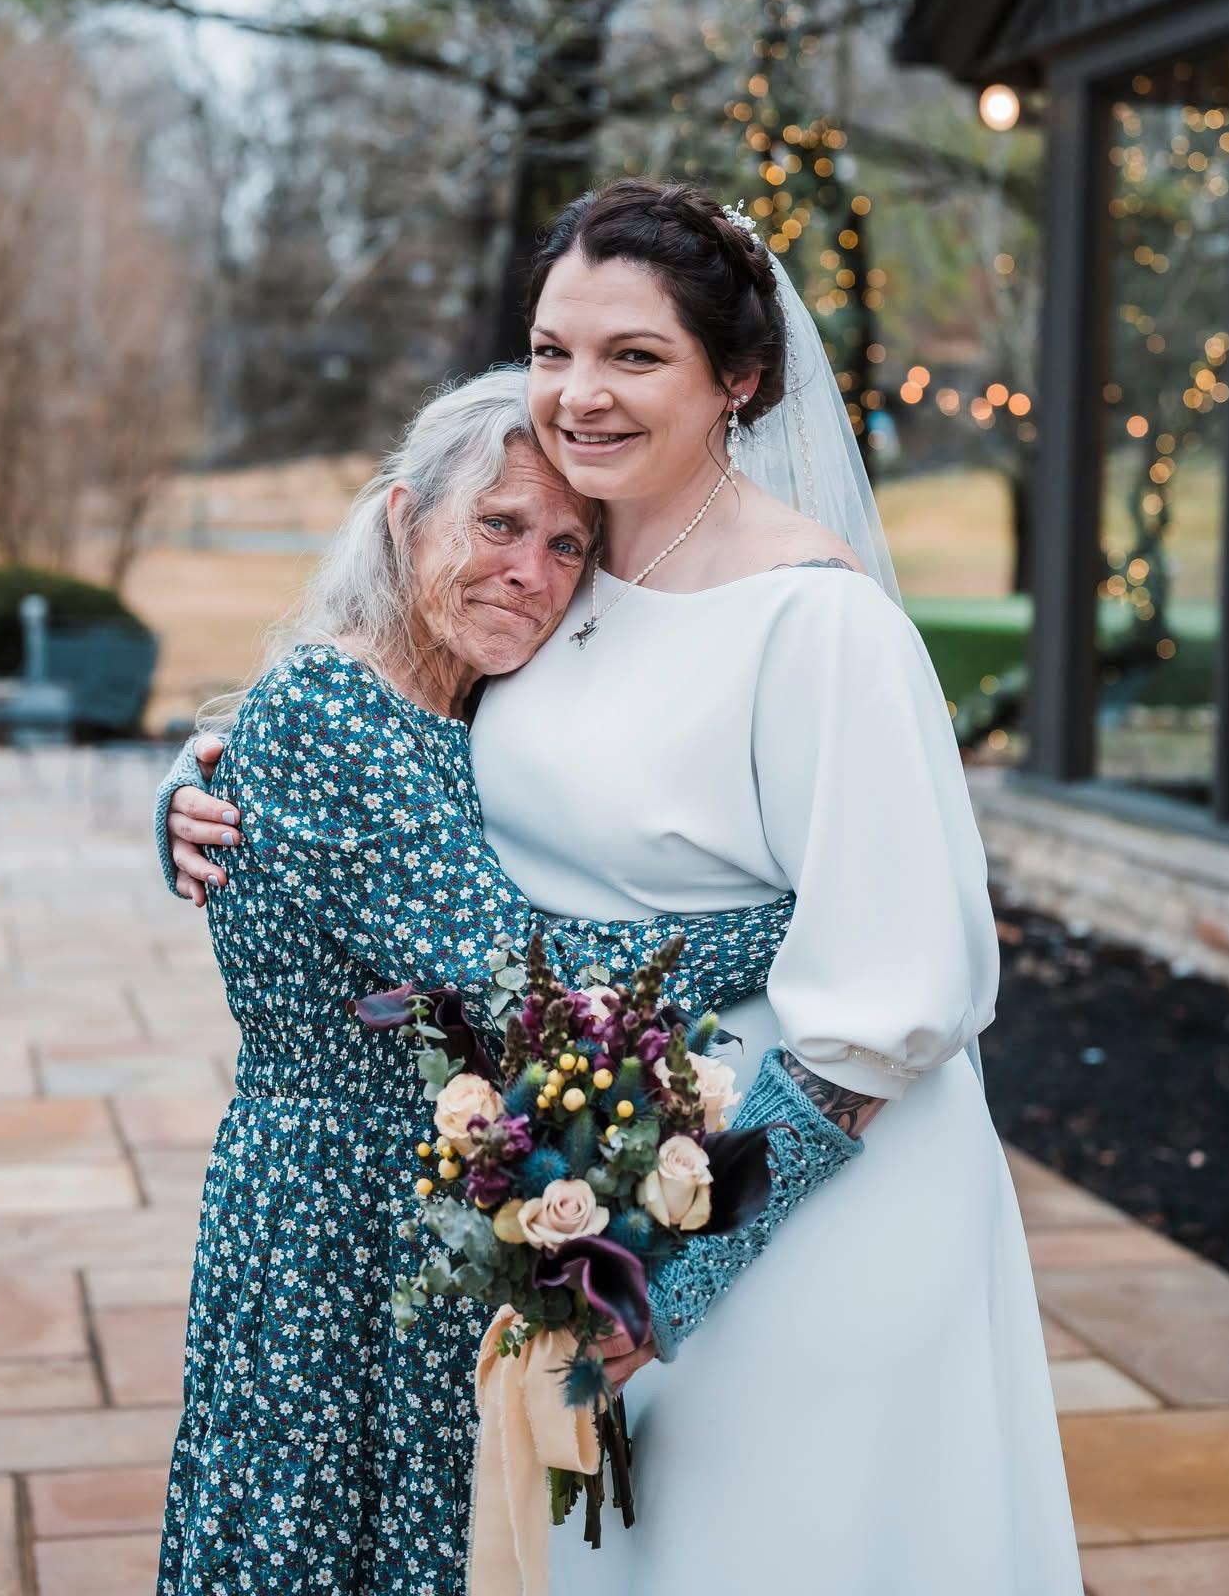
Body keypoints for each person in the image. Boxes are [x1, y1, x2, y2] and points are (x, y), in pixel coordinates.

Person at [163, 179, 1083, 1594]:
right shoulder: (571, 567)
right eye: (551, 351)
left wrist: (673, 1278)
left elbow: (883, 1007)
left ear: (741, 381)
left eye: (633, 357)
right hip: (585, 1195)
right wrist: (206, 793)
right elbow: (405, 759)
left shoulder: (816, 625)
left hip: (787, 1219)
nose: (577, 395)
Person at [150, 369, 795, 1596]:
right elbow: (522, 984)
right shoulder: (337, 707)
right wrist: (809, 918)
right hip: (332, 1217)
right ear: (403, 519)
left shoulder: (470, 698)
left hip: (433, 1202)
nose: (532, 571)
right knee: (313, 1538)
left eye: (566, 545)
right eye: (497, 525)